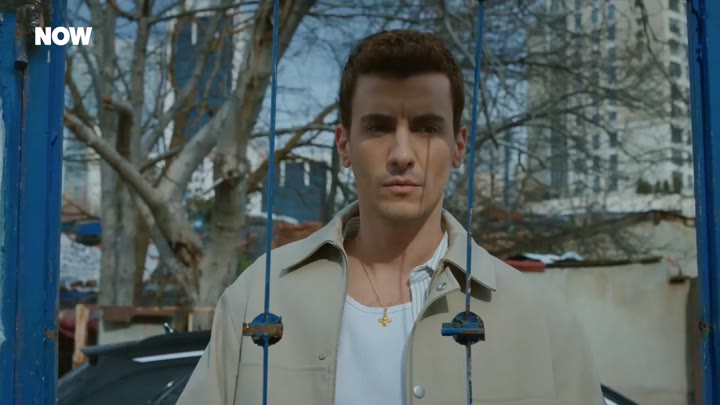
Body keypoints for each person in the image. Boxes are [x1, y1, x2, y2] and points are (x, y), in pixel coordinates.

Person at [177, 29, 604, 405]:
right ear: (344, 145)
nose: (402, 154)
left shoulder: (539, 319)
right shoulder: (258, 298)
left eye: (426, 128)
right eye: (378, 128)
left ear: (459, 147)